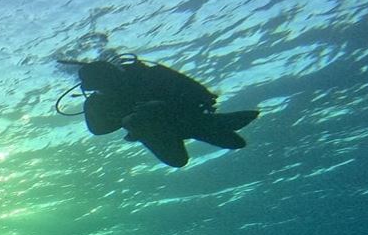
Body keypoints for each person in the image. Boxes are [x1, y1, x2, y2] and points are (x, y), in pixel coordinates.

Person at [69, 56, 259, 167]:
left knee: (235, 143)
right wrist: (132, 118)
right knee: (178, 161)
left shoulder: (149, 75)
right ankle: (214, 123)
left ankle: (212, 123)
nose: (106, 87)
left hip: (184, 117)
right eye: (98, 86)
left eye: (106, 81)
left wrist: (160, 106)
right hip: (154, 130)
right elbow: (98, 129)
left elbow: (200, 94)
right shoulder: (98, 102)